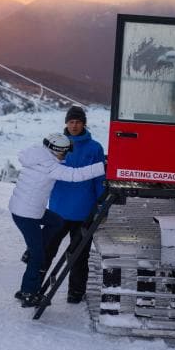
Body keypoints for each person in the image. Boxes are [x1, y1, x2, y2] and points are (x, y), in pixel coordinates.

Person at [9, 133, 105, 307]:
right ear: (58, 150)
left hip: (28, 209)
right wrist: (103, 166)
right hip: (27, 214)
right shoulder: (50, 166)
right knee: (39, 256)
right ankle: (28, 293)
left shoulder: (38, 155)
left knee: (56, 222)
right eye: (66, 152)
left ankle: (31, 252)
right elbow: (76, 175)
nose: (67, 155)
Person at [43, 106, 105, 304]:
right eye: (71, 122)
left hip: (84, 211)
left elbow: (99, 179)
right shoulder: (55, 144)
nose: (74, 125)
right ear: (66, 123)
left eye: (78, 122)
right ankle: (34, 287)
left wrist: (102, 205)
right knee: (46, 251)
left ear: (84, 123)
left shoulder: (95, 148)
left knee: (79, 256)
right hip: (58, 209)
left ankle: (75, 292)